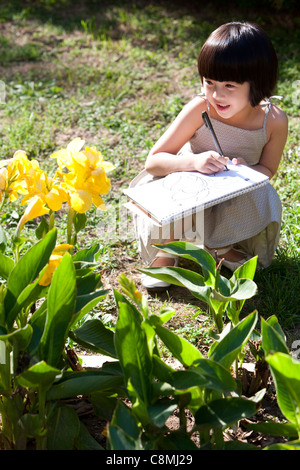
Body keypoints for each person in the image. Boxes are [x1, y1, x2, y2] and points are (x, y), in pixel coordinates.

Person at [129, 21, 288, 290]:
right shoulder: (199, 109)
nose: (216, 94)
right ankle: (168, 251)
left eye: (229, 85)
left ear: (257, 82)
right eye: (209, 82)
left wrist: (243, 172)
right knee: (185, 187)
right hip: (187, 185)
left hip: (230, 193)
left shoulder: (272, 121)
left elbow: (267, 169)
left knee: (261, 192)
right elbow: (154, 161)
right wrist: (193, 162)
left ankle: (222, 246)